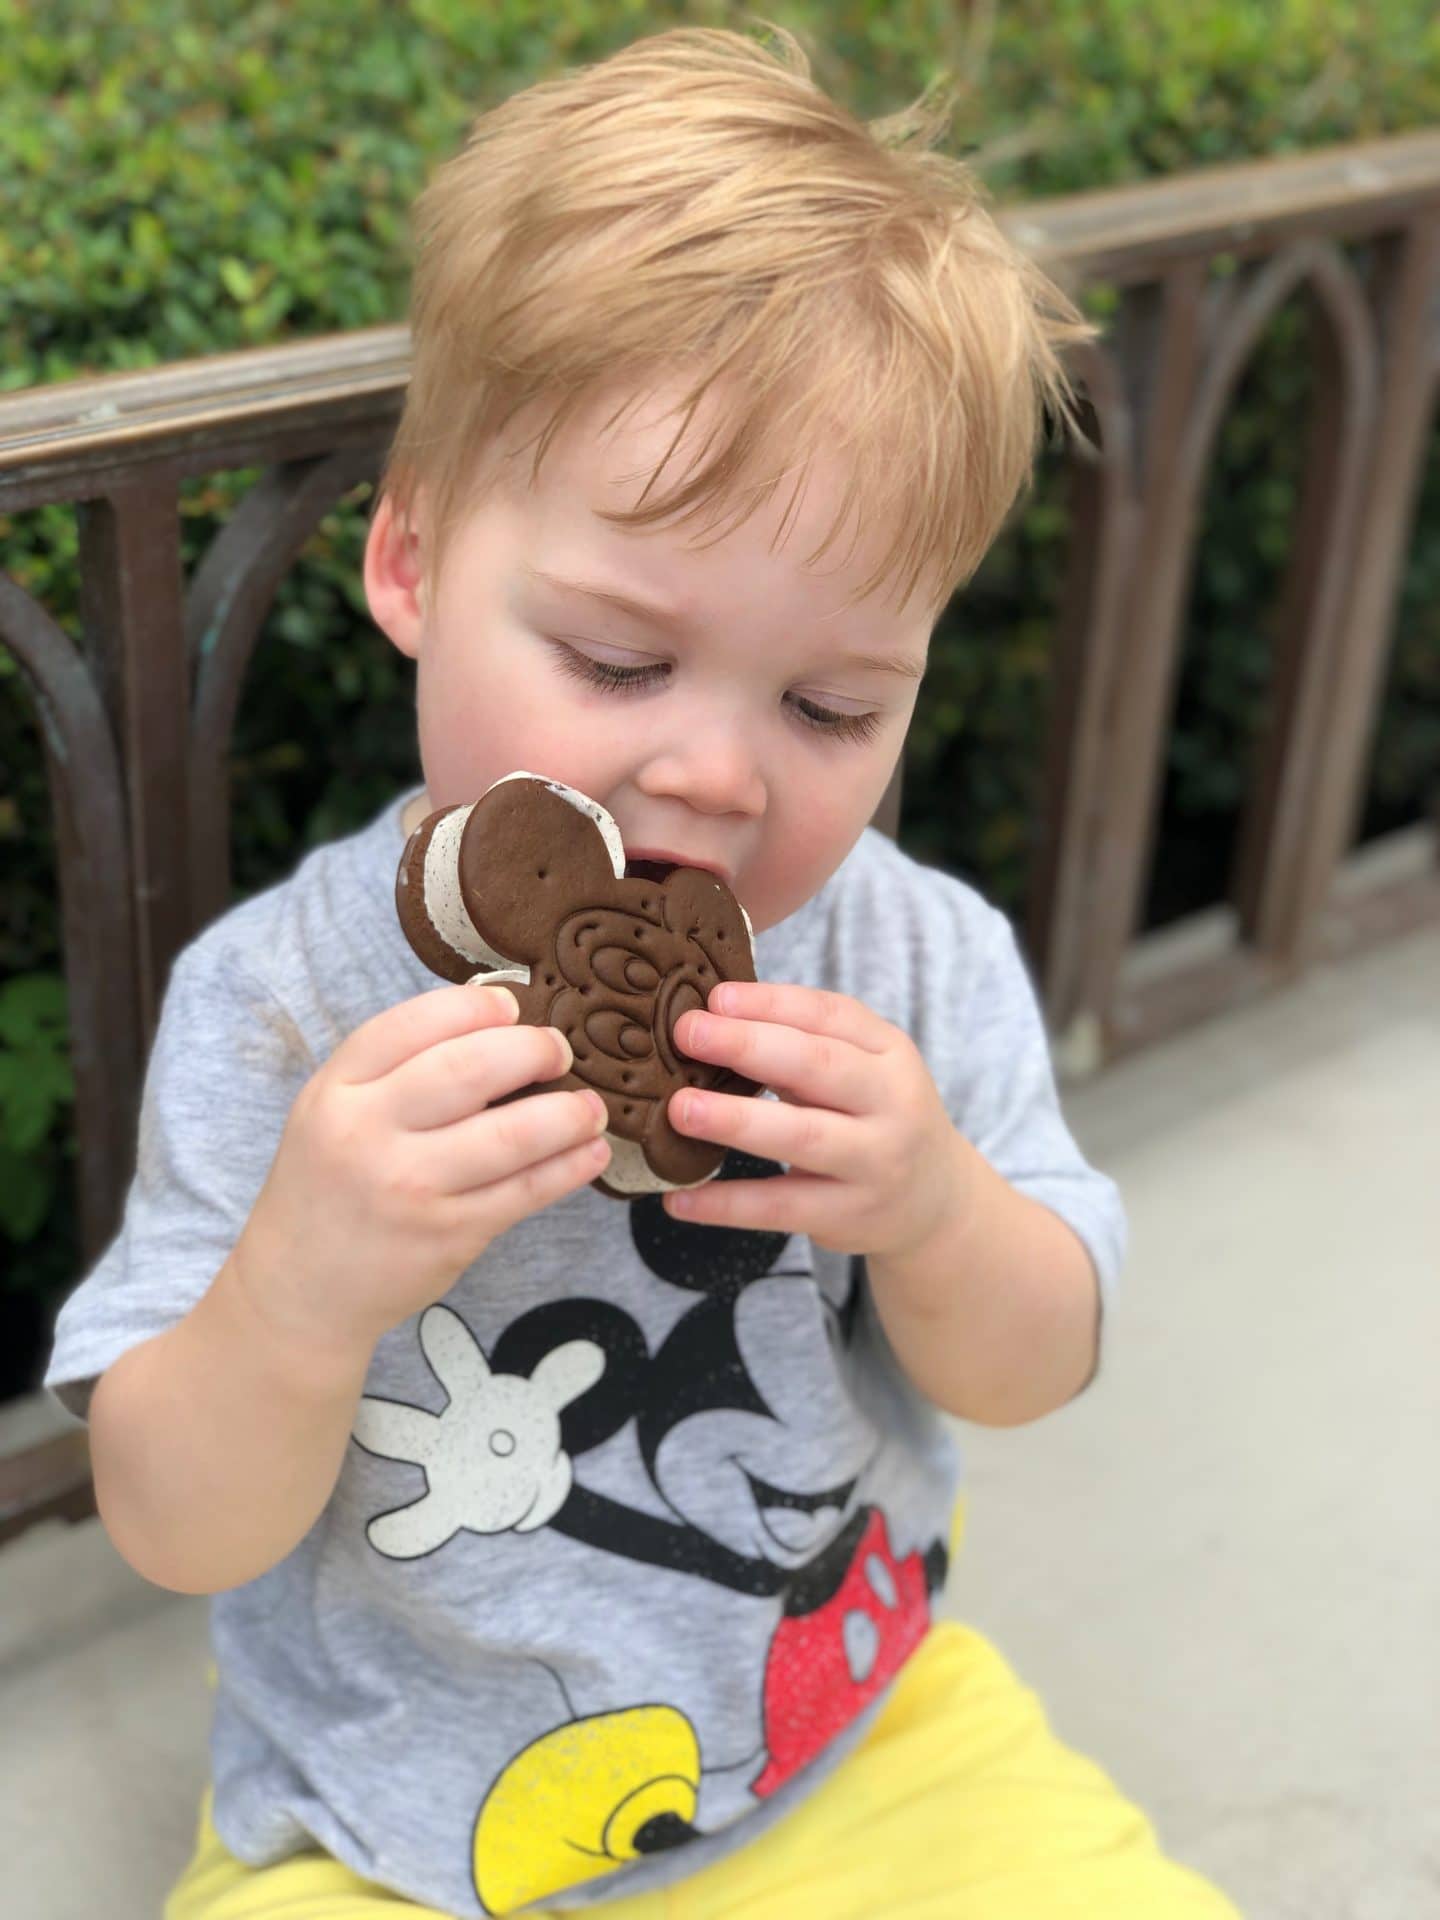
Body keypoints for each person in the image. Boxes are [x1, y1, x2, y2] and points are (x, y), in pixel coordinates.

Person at [45, 23, 1239, 1920]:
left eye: (834, 703)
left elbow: (1038, 1359)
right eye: (615, 663)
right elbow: (177, 1526)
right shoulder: (279, 1002)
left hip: (851, 1719)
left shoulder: (910, 955)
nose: (713, 770)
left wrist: (932, 1207)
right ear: (419, 562)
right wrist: (295, 1288)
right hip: (388, 1826)